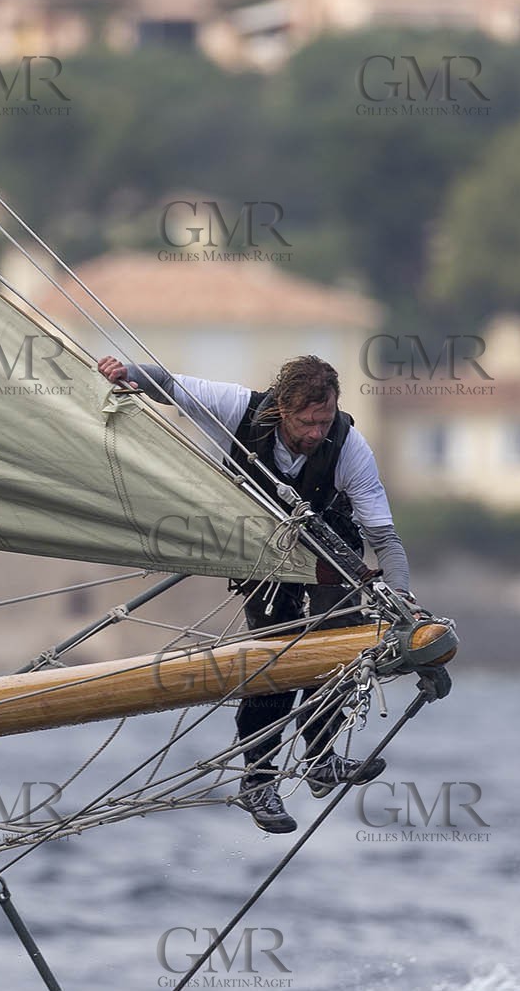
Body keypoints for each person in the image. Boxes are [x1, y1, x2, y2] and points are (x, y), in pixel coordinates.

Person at [97, 353, 418, 834]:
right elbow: (168, 384)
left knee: (342, 647)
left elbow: (384, 538)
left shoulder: (349, 446)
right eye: (306, 421)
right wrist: (126, 375)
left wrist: (402, 600)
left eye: (324, 420)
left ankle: (320, 757)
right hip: (263, 558)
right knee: (276, 662)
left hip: (332, 558)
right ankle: (258, 780)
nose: (315, 432)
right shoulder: (239, 409)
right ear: (282, 408)